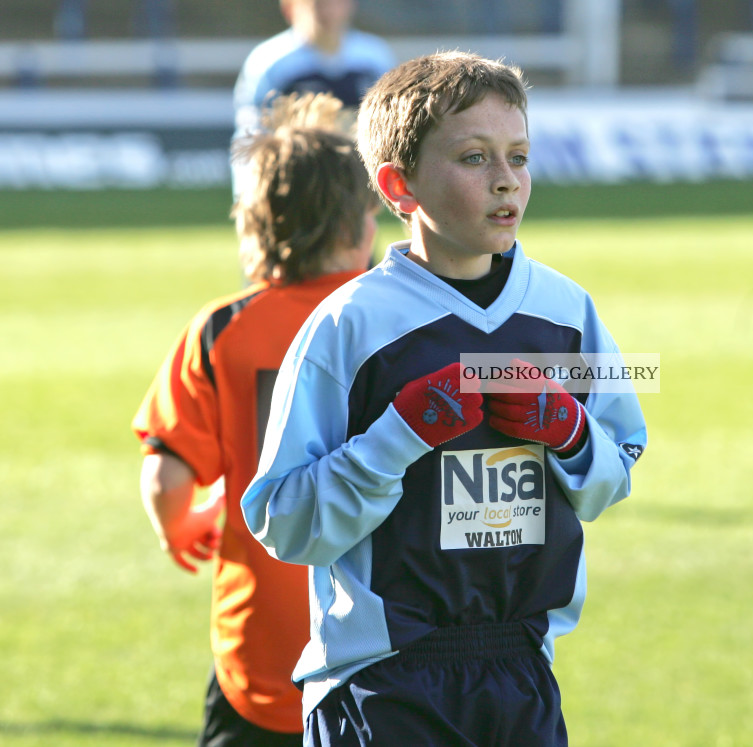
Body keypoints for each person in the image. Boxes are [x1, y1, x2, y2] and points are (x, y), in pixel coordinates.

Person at [241, 51, 648, 746]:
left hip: (521, 670)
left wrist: (573, 433)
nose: (505, 181)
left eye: (518, 156)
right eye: (472, 158)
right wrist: (394, 437)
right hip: (382, 681)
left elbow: (620, 460)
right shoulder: (349, 328)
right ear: (399, 187)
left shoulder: (567, 312)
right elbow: (284, 519)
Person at [132, 93, 380, 747]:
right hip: (386, 651)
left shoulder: (222, 331)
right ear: (362, 220)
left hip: (263, 661)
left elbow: (164, 478)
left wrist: (180, 526)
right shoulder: (400, 318)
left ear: (257, 225)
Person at [232, 0, 396, 193]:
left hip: (358, 179)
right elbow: (252, 129)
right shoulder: (269, 61)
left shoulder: (374, 57)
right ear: (290, 9)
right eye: (317, 4)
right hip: (295, 180)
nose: (327, 12)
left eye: (334, 3)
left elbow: (390, 123)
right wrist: (246, 189)